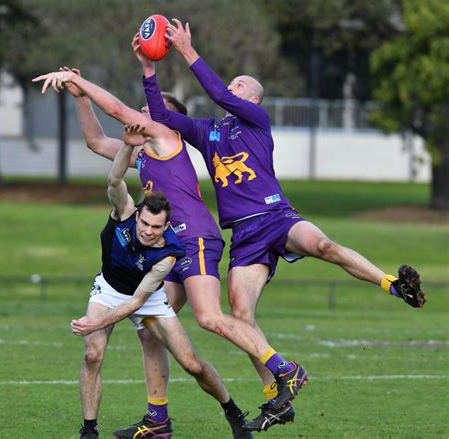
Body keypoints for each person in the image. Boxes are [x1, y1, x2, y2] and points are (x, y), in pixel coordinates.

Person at [132, 18, 428, 432]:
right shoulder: (208, 131)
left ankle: (393, 284)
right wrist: (148, 67)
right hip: (244, 235)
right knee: (240, 314)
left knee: (323, 245)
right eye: (233, 84)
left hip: (275, 216)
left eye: (239, 85)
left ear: (252, 97)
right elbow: (161, 114)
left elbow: (215, 91)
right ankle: (276, 395)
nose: (231, 88)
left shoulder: (257, 119)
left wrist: (186, 49)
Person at [57, 67, 253, 439]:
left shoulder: (168, 144)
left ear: (166, 123)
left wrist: (83, 82)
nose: (142, 114)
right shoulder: (144, 154)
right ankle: (154, 419)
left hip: (185, 243)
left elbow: (118, 113)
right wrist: (81, 98)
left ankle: (242, 400)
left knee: (195, 355)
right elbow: (98, 142)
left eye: (151, 111)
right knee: (133, 342)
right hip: (145, 264)